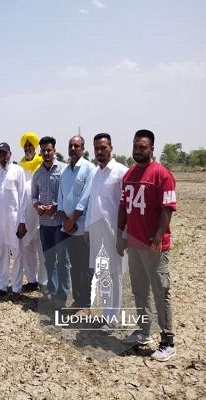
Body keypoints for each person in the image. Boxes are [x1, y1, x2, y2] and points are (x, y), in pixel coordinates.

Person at [117, 129, 177, 362]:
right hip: (133, 243)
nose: (137, 151)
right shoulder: (130, 173)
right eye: (135, 146)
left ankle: (168, 340)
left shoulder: (162, 174)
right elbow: (124, 206)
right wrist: (120, 234)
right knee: (139, 291)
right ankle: (143, 332)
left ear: (152, 148)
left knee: (161, 292)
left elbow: (167, 210)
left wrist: (158, 239)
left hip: (153, 246)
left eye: (142, 147)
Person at [85, 133, 128, 325]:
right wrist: (87, 228)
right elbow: (92, 202)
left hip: (114, 232)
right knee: (101, 272)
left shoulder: (121, 172)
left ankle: (113, 316)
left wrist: (124, 233)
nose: (100, 152)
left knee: (114, 272)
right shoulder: (95, 173)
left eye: (103, 148)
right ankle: (106, 312)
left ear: (111, 148)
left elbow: (126, 206)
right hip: (96, 231)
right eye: (97, 148)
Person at [58, 136, 96, 315]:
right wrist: (64, 219)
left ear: (83, 148)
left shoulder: (89, 168)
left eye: (76, 146)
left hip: (82, 227)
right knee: (74, 265)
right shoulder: (65, 170)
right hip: (67, 227)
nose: (73, 148)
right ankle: (77, 299)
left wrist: (73, 219)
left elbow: (85, 198)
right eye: (70, 145)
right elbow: (61, 197)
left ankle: (85, 303)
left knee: (86, 266)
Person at [32, 137, 69, 307]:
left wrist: (56, 206)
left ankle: (62, 295)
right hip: (44, 223)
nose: (46, 153)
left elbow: (68, 195)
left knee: (63, 261)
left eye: (49, 150)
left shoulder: (63, 170)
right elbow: (33, 196)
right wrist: (37, 206)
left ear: (54, 150)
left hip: (60, 224)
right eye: (43, 151)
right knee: (48, 260)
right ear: (40, 152)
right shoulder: (37, 173)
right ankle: (54, 294)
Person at [0, 143, 27, 300]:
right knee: (1, 254)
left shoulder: (18, 171)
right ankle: (2, 286)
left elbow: (23, 198)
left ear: (10, 154)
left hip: (14, 220)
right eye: (0, 154)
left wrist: (22, 221)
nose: (2, 156)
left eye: (4, 153)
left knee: (17, 253)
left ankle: (17, 288)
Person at [19, 132, 46, 293]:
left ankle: (44, 281)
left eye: (30, 145)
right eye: (26, 146)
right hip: (25, 215)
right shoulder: (20, 167)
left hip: (41, 214)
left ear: (35, 147)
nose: (28, 148)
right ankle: (31, 280)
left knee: (42, 250)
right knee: (27, 249)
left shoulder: (42, 164)